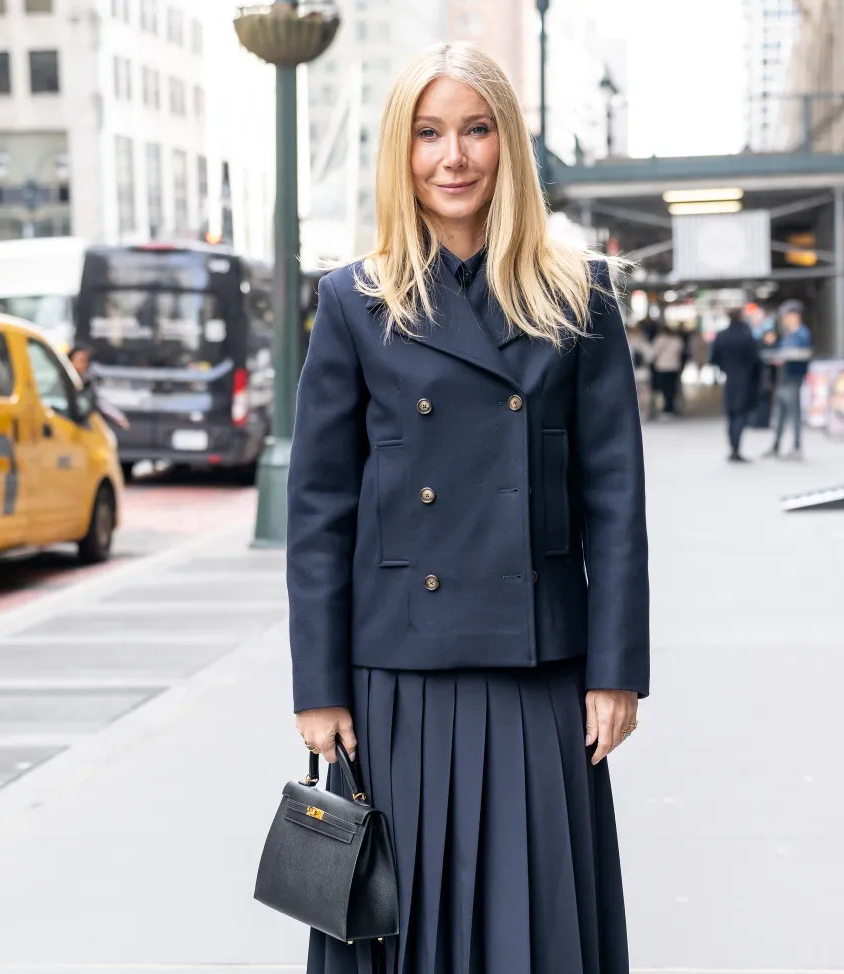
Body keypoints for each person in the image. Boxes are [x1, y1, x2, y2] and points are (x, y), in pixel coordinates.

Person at [287, 42, 649, 974]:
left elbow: (614, 501)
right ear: (401, 153)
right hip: (397, 676)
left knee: (540, 923)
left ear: (508, 146)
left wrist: (618, 671)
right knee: (410, 923)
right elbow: (320, 506)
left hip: (541, 671)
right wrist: (318, 686)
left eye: (477, 130)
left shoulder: (583, 297)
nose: (454, 156)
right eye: (430, 132)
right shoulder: (352, 301)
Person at [710, 310, 762, 462]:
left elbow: (714, 358)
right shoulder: (747, 336)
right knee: (740, 414)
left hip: (729, 379)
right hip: (746, 379)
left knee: (731, 414)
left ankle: (733, 447)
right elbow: (756, 360)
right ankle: (735, 448)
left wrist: (725, 368)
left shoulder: (722, 336)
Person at [765, 299, 812, 459]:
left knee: (794, 414)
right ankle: (776, 445)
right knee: (780, 415)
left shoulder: (802, 334)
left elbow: (803, 354)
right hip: (782, 378)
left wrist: (787, 357)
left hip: (793, 378)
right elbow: (779, 351)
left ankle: (797, 447)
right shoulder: (787, 335)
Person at [67, 344, 130, 430]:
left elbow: (99, 401)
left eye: (86, 361)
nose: (84, 365)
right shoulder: (63, 382)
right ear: (71, 361)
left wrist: (118, 417)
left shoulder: (86, 382)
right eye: (81, 361)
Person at [650, 322, 684, 419]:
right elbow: (680, 352)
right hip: (674, 366)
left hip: (662, 367)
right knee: (672, 388)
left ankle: (665, 408)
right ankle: (670, 407)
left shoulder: (659, 339)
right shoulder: (677, 340)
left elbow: (654, 353)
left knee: (663, 388)